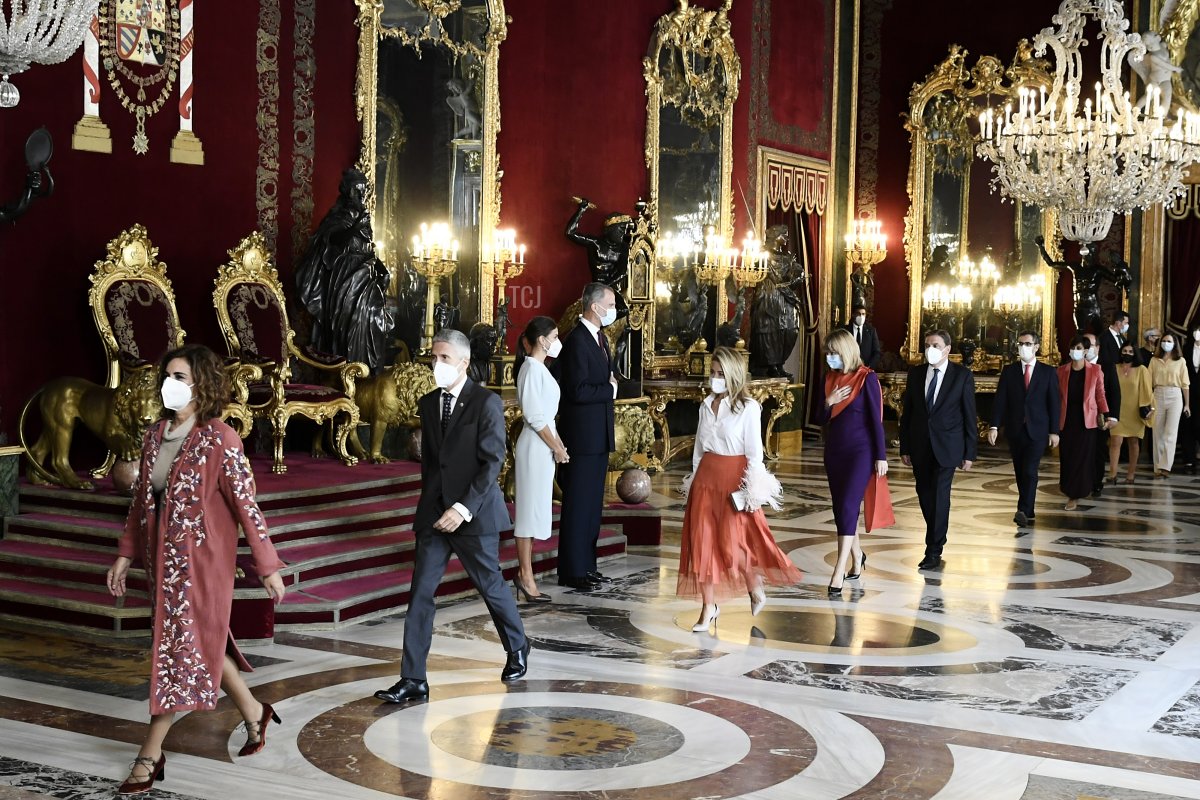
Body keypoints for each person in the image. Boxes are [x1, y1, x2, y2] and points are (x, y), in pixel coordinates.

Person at [106, 344, 287, 795]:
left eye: (181, 376)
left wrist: (267, 565)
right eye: (168, 374)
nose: (172, 383)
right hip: (160, 565)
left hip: (201, 564)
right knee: (194, 643)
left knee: (175, 653)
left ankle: (150, 755)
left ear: (202, 384)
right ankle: (254, 712)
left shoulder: (220, 438)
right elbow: (139, 504)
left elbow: (247, 505)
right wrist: (125, 554)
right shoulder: (153, 437)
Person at [374, 329, 529, 704]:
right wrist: (434, 507)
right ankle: (413, 679)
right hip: (434, 515)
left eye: (443, 358)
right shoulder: (428, 404)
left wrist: (462, 509)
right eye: (433, 358)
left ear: (463, 361)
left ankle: (518, 646)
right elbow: (432, 464)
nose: (436, 364)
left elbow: (493, 462)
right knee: (420, 595)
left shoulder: (485, 402)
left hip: (473, 514)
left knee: (490, 585)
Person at [677, 346, 801, 630]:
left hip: (734, 480)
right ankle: (708, 607)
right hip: (706, 480)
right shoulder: (705, 406)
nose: (715, 378)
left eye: (720, 374)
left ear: (733, 375)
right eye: (712, 373)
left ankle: (754, 586)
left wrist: (752, 490)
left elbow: (755, 453)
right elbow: (698, 450)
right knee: (702, 544)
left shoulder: (749, 408)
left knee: (735, 545)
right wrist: (694, 482)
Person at [295, 168, 395, 372]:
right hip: (345, 276)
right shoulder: (338, 216)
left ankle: (367, 371)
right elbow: (332, 241)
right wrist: (356, 227)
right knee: (349, 322)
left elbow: (370, 249)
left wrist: (383, 271)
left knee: (373, 318)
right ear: (347, 191)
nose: (361, 195)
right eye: (357, 191)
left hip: (367, 275)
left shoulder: (363, 217)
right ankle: (347, 370)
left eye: (364, 191)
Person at [553, 282, 618, 592]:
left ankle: (587, 566)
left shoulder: (599, 337)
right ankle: (572, 570)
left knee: (592, 507)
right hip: (581, 438)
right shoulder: (577, 340)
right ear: (595, 307)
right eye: (611, 304)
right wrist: (610, 390)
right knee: (578, 506)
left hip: (598, 436)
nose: (614, 310)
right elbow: (576, 391)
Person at [898, 329, 977, 571]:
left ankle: (933, 548)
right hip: (920, 445)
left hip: (948, 447)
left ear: (946, 349)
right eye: (926, 345)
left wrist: (969, 452)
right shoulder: (916, 374)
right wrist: (905, 446)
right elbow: (908, 413)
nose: (929, 349)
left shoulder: (961, 376)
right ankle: (936, 535)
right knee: (924, 494)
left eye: (935, 345)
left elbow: (969, 415)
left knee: (940, 496)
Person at [817, 329, 885, 591]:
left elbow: (876, 421)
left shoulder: (866, 379)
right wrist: (828, 402)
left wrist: (880, 456)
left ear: (846, 351)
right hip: (834, 452)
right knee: (840, 510)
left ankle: (838, 571)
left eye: (834, 353)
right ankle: (858, 557)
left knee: (847, 506)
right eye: (828, 353)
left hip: (861, 453)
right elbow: (819, 418)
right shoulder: (829, 378)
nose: (830, 358)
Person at [512, 316, 569, 602]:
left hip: (542, 445)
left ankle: (527, 573)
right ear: (542, 340)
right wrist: (555, 447)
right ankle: (525, 575)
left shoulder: (540, 368)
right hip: (534, 447)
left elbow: (545, 416)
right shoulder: (531, 369)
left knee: (535, 513)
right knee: (527, 514)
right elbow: (534, 416)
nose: (558, 341)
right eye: (555, 336)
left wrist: (558, 445)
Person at [987, 331, 1061, 527]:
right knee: (1020, 471)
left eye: (1027, 343)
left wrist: (1054, 431)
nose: (1023, 347)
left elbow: (1054, 403)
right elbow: (1000, 400)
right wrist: (994, 425)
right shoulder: (1009, 371)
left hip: (1038, 430)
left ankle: (1023, 509)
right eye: (1020, 343)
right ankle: (1029, 508)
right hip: (1015, 429)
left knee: (1030, 470)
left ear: (1036, 347)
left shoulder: (1048, 372)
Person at [1057, 335, 1114, 511]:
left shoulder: (1096, 370)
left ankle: (1076, 494)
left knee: (1083, 458)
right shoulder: (1061, 371)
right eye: (1073, 347)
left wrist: (1106, 414)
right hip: (1066, 420)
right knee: (1068, 457)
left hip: (1087, 421)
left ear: (1087, 351)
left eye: (1079, 348)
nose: (1076, 351)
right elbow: (1056, 397)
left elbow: (1100, 394)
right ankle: (1069, 489)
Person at [1109, 341, 1153, 484]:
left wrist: (1148, 409)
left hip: (1134, 411)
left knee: (1133, 442)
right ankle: (1112, 474)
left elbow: (1147, 391)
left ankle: (1131, 474)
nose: (1127, 354)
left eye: (1130, 351)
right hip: (1117, 410)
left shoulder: (1141, 370)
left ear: (1135, 354)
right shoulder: (1113, 368)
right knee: (1115, 441)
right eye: (1124, 351)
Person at [1149, 331, 1191, 478]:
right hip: (1158, 395)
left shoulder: (1180, 361)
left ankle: (1166, 466)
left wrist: (1187, 404)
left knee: (1170, 433)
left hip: (1175, 396)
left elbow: (1185, 384)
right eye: (1164, 340)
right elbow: (1149, 382)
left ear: (1174, 344)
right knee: (1157, 432)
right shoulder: (1154, 360)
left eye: (1169, 341)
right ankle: (1157, 467)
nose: (1166, 343)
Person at [1085, 331, 1120, 497]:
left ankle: (1096, 482)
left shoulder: (1106, 365)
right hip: (1079, 417)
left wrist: (1112, 416)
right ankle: (1081, 481)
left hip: (1099, 417)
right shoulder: (1074, 363)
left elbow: (1114, 392)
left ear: (1097, 348)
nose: (1086, 348)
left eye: (1090, 345)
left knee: (1098, 451)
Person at [1179, 321, 1200, 474]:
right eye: (1196, 330)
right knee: (1188, 427)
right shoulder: (1185, 349)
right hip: (1188, 394)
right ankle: (1189, 460)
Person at [843, 304, 882, 370]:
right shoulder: (845, 330)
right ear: (853, 315)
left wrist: (868, 368)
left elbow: (876, 352)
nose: (861, 316)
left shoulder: (871, 331)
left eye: (863, 314)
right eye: (858, 314)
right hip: (848, 370)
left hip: (866, 370)